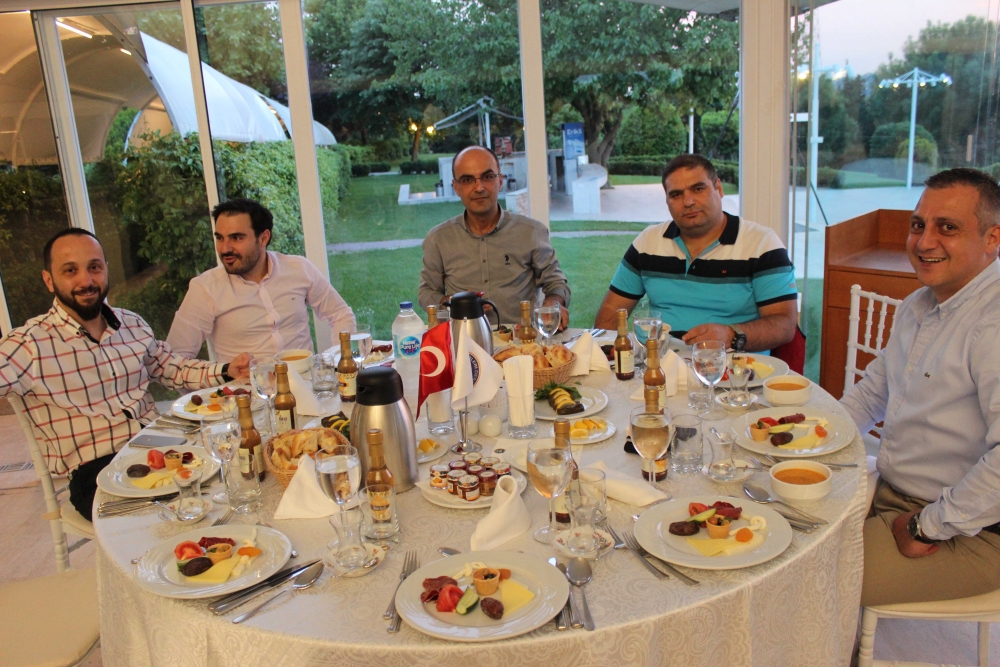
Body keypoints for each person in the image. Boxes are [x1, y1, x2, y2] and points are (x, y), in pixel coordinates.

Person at [0, 229, 252, 521]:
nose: (86, 280)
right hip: (97, 468)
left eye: (94, 267)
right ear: (48, 280)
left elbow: (171, 367)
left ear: (106, 269)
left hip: (159, 445)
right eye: (70, 270)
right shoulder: (29, 344)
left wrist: (226, 370)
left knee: (239, 477)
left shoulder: (131, 323)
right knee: (173, 517)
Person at [842, 168, 1000, 606]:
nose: (924, 242)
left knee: (816, 578)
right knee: (774, 530)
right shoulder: (919, 304)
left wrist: (925, 526)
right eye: (918, 225)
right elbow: (874, 391)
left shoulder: (992, 325)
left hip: (971, 529)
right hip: (896, 492)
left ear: (992, 238)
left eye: (947, 228)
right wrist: (813, 440)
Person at [593, 154, 797, 352]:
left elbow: (785, 324)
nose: (688, 201)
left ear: (719, 189)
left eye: (698, 189)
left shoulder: (762, 244)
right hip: (657, 362)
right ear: (667, 201)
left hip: (732, 367)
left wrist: (731, 336)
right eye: (676, 194)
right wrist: (609, 357)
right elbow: (611, 311)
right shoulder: (648, 243)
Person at [167, 198, 355, 363]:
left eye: (236, 238)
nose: (225, 249)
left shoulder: (298, 269)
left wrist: (341, 360)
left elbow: (340, 314)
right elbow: (175, 360)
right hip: (246, 390)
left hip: (306, 383)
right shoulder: (205, 288)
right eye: (220, 238)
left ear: (263, 238)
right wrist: (218, 384)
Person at [418, 146, 571, 327]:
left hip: (521, 339)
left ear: (500, 181)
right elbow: (427, 292)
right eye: (467, 180)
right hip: (463, 339)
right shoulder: (439, 239)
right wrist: (452, 302)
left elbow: (556, 283)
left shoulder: (531, 232)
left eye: (488, 177)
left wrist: (553, 303)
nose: (479, 188)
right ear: (456, 187)